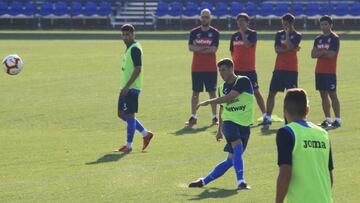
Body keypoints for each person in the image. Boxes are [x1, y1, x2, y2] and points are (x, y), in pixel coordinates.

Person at [188, 58, 253, 190]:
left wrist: (209, 101)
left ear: (231, 68)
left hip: (244, 125)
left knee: (231, 160)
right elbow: (223, 108)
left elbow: (230, 97)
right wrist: (219, 130)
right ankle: (241, 182)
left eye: (223, 70)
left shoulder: (243, 81)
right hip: (230, 123)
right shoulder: (221, 88)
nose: (221, 73)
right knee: (238, 148)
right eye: (219, 71)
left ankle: (203, 181)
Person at [275, 88, 334, 203]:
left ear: (284, 110)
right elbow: (329, 176)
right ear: (307, 110)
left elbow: (285, 173)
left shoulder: (286, 132)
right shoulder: (323, 134)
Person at [114, 24, 154, 153]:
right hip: (125, 88)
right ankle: (145, 134)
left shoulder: (135, 49)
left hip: (131, 88)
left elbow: (138, 68)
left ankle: (128, 145)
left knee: (130, 116)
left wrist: (127, 86)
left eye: (128, 34)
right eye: (123, 35)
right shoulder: (129, 48)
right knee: (121, 114)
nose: (125, 37)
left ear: (133, 34)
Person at [261, 13, 302, 126]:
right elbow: (277, 49)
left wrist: (288, 35)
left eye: (286, 24)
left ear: (291, 24)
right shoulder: (279, 34)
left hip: (291, 69)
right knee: (272, 92)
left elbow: (288, 46)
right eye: (283, 24)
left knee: (291, 96)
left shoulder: (297, 35)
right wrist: (291, 49)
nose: (284, 26)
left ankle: (289, 119)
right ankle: (267, 117)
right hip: (278, 68)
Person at [186, 8, 220, 126]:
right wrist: (206, 49)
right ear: (200, 18)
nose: (204, 19)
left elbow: (214, 49)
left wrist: (198, 48)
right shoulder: (194, 32)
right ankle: (193, 117)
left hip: (210, 68)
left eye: (207, 17)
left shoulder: (215, 33)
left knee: (212, 93)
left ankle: (215, 117)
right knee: (195, 93)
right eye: (203, 17)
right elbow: (190, 48)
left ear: (210, 18)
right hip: (197, 68)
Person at [230, 12, 266, 122]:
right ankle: (239, 116)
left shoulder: (252, 34)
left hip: (249, 70)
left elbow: (247, 45)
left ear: (247, 22)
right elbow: (232, 51)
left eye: (242, 21)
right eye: (238, 21)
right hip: (236, 70)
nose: (240, 23)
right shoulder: (234, 36)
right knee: (236, 95)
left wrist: (242, 32)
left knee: (256, 92)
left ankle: (265, 115)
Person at [311, 15, 341, 128]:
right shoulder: (318, 39)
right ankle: (328, 119)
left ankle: (337, 119)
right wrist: (324, 52)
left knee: (333, 95)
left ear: (330, 25)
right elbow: (313, 55)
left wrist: (321, 53)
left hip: (330, 71)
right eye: (322, 24)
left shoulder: (334, 38)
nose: (323, 26)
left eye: (325, 24)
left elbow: (331, 55)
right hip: (319, 71)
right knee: (323, 95)